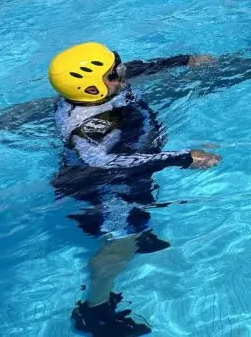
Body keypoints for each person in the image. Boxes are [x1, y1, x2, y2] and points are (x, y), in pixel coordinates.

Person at [49, 43, 221, 336]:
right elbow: (107, 163)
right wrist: (181, 157)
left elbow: (135, 69)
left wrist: (182, 59)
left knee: (137, 218)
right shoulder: (91, 126)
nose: (123, 73)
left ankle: (137, 236)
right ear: (92, 89)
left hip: (126, 174)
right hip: (107, 186)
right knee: (117, 246)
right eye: (116, 73)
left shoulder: (95, 94)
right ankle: (94, 311)